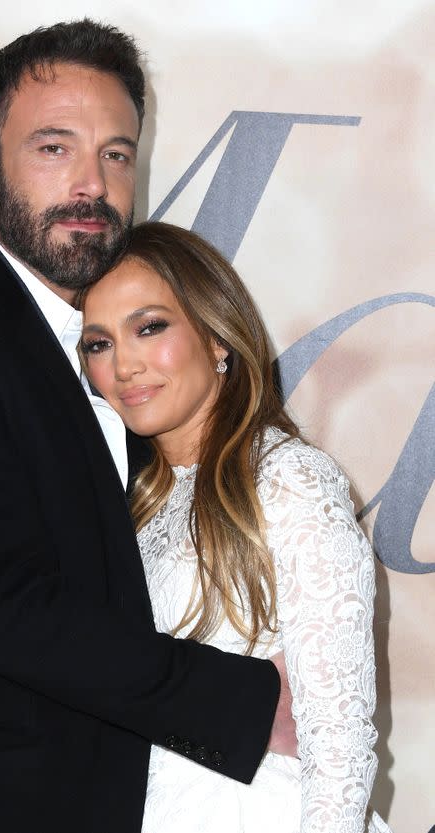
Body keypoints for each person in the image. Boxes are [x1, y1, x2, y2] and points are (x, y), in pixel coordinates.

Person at [0, 20, 294, 833]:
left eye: (116, 152)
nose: (92, 182)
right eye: (53, 147)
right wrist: (253, 703)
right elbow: (4, 606)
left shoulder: (122, 352)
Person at [80, 220, 392, 833]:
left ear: (217, 336)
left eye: (149, 328)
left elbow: (339, 739)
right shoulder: (129, 504)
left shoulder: (290, 479)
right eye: (98, 343)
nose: (125, 365)